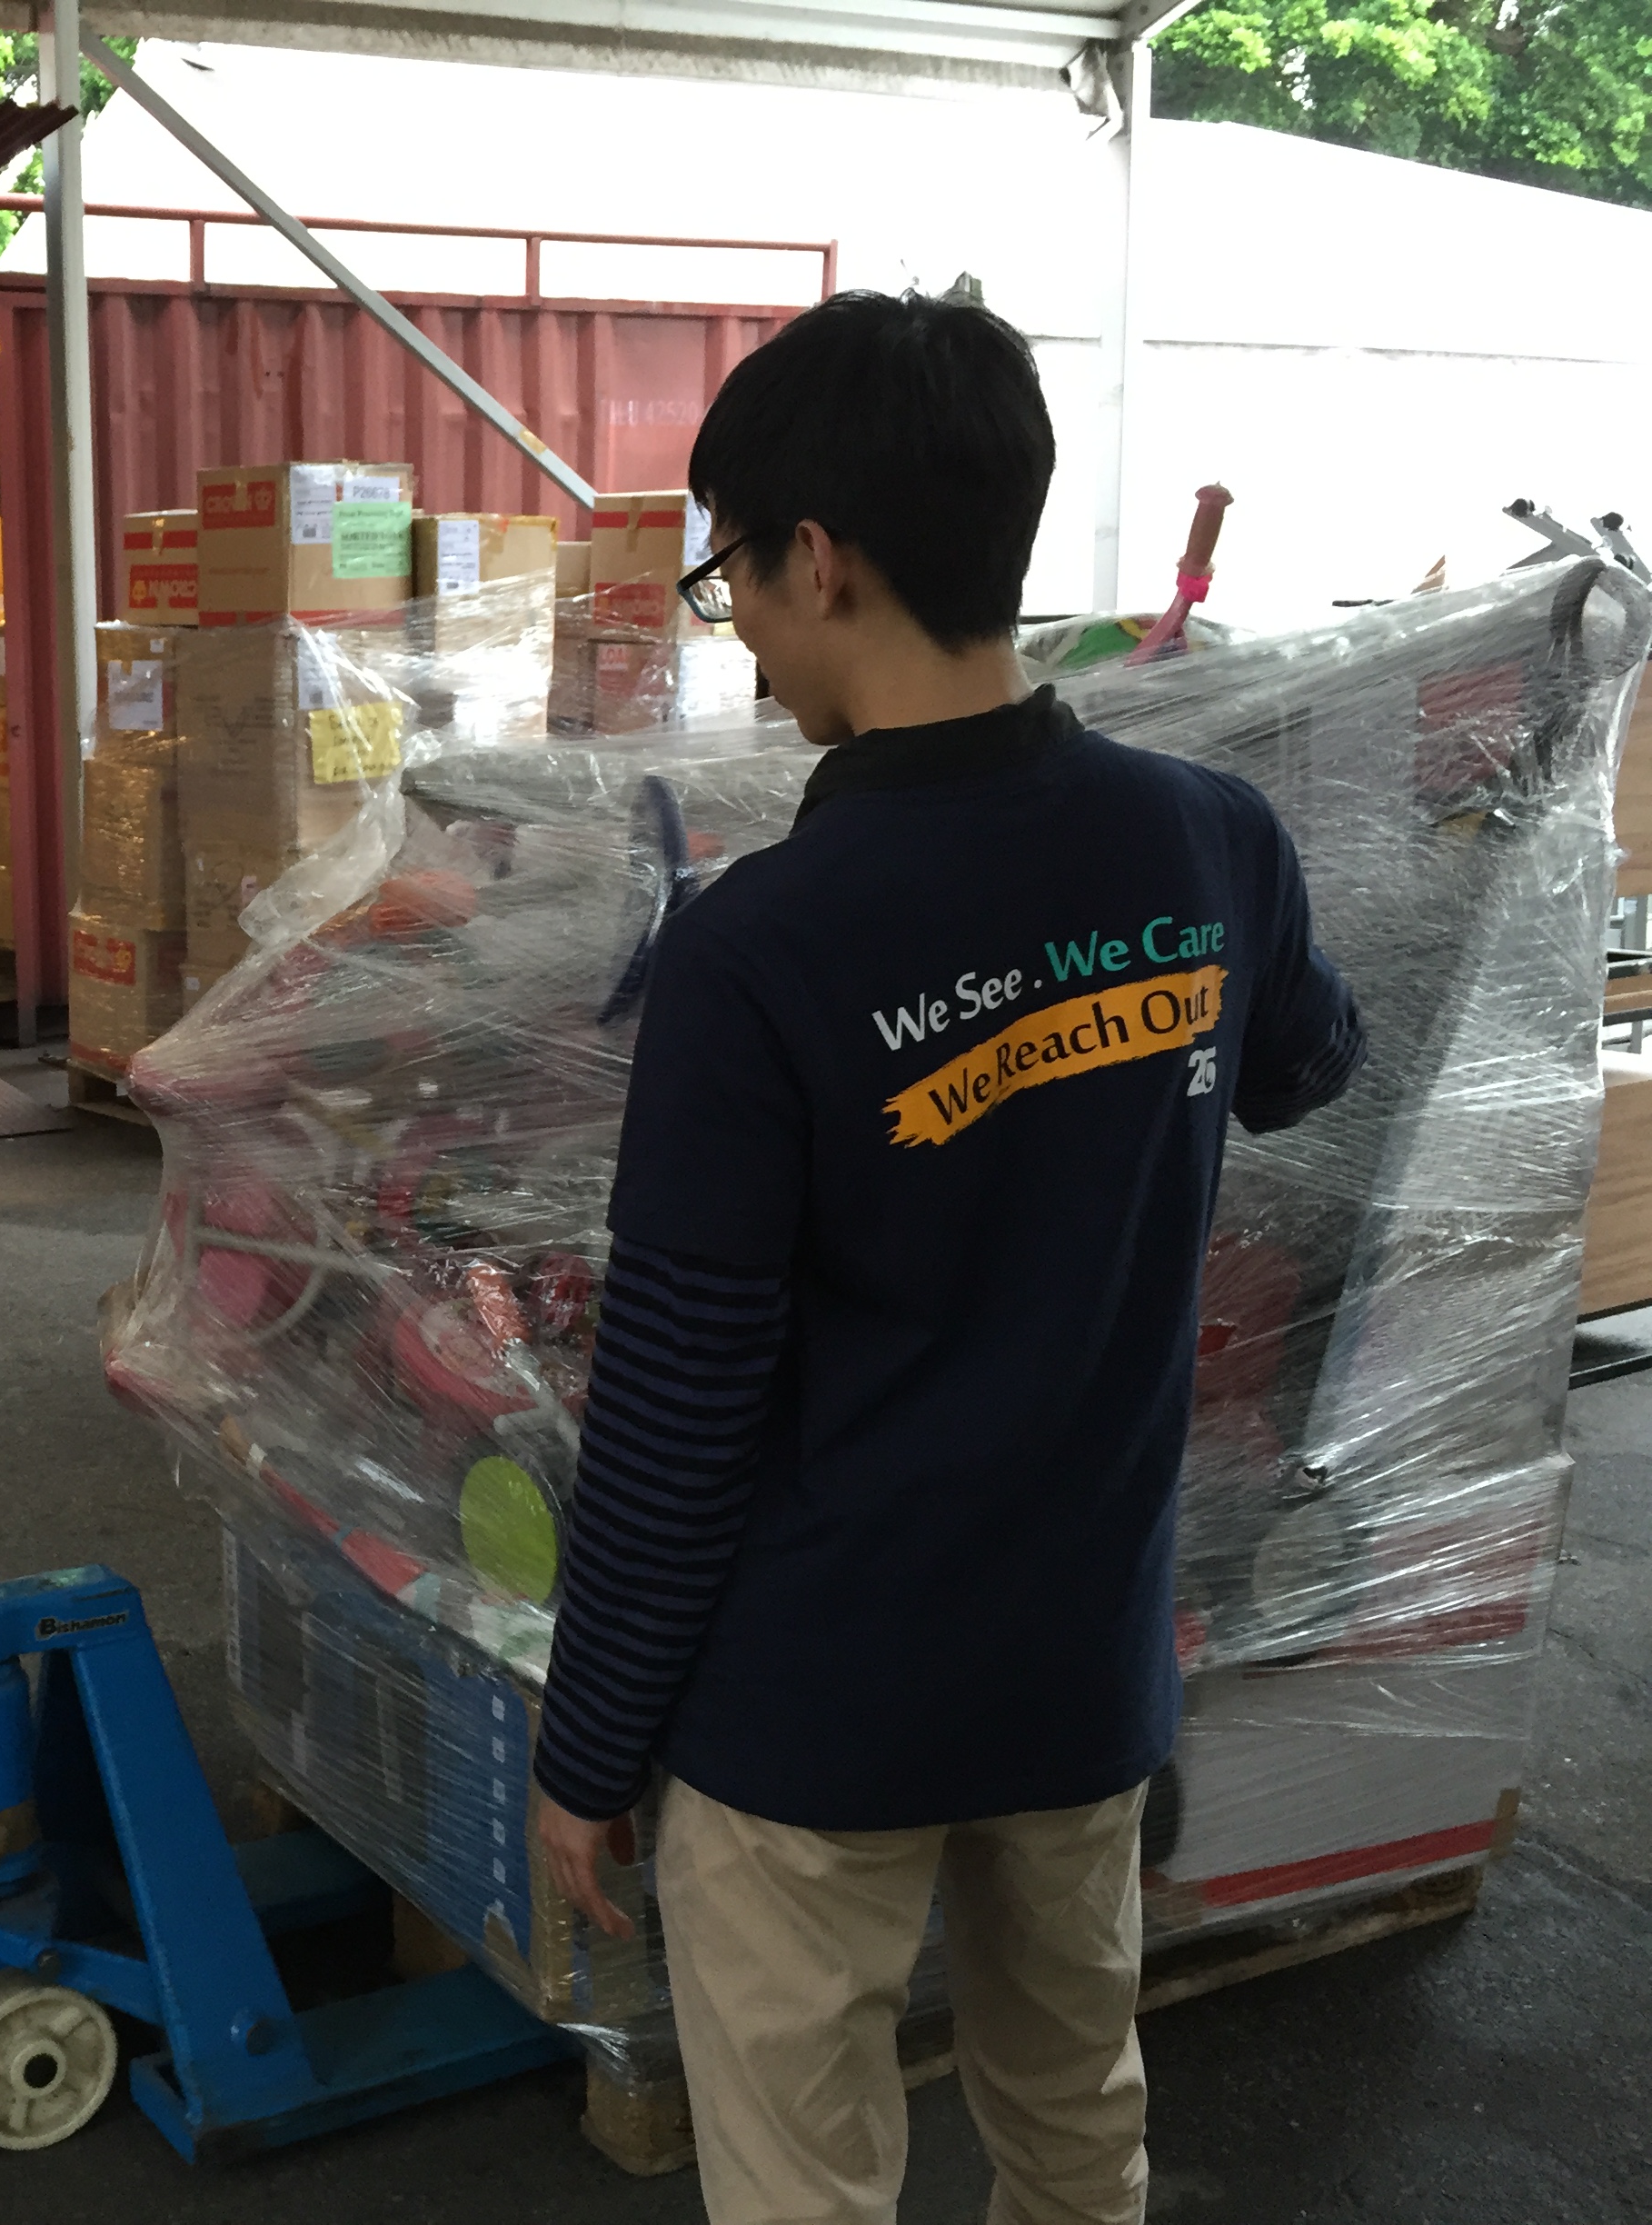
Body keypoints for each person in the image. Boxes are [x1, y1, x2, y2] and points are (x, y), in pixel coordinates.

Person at [530, 294, 1365, 2225]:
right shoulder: (1208, 836)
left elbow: (675, 1410)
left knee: (811, 2183)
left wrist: (586, 1757)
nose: (731, 618)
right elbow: (1311, 1068)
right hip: (1078, 1665)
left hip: (813, 1715)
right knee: (1077, 2130)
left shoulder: (758, 951)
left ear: (821, 559)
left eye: (732, 564)